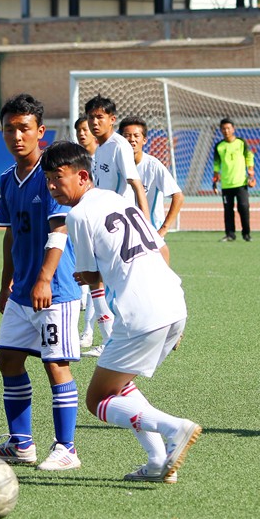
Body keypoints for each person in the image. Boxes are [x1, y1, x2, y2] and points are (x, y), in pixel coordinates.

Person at [41, 140, 202, 483]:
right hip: (174, 302)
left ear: (83, 176)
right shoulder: (116, 199)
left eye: (58, 177)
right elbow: (159, 249)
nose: (52, 186)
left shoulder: (79, 214)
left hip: (141, 313)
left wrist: (84, 275)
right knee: (120, 383)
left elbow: (89, 275)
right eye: (48, 180)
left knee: (97, 399)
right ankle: (158, 460)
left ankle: (176, 428)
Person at [0, 94, 83, 471]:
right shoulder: (8, 179)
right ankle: (22, 443)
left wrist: (43, 279)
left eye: (24, 128)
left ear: (40, 131)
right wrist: (5, 283)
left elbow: (59, 232)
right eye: (9, 129)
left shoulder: (53, 176)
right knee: (8, 360)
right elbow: (10, 236)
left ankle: (67, 448)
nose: (16, 135)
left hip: (55, 291)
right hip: (22, 292)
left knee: (55, 364)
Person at [83, 94, 152, 357]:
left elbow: (135, 184)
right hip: (101, 225)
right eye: (91, 117)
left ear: (112, 119)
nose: (94, 122)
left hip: (118, 228)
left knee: (112, 285)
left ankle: (127, 337)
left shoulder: (118, 145)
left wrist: (145, 225)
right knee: (96, 282)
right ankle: (109, 339)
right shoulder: (100, 148)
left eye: (100, 117)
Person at [118, 115, 185, 244]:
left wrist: (163, 229)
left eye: (136, 136)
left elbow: (178, 196)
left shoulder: (153, 166)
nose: (132, 140)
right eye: (127, 135)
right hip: (123, 233)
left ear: (144, 140)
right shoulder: (115, 164)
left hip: (150, 234)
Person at [74, 115, 100, 351]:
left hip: (99, 227)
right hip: (79, 224)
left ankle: (89, 332)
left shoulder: (103, 159)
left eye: (85, 129)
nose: (82, 133)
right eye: (79, 130)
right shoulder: (75, 161)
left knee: (95, 281)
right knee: (81, 275)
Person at [212, 117, 256, 242]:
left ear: (233, 129)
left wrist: (251, 174)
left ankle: (246, 234)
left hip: (241, 183)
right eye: (223, 129)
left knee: (243, 207)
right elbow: (216, 165)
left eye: (228, 128)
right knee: (228, 210)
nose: (226, 131)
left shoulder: (241, 143)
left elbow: (249, 157)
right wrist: (215, 182)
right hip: (226, 184)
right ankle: (230, 234)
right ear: (221, 130)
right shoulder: (219, 146)